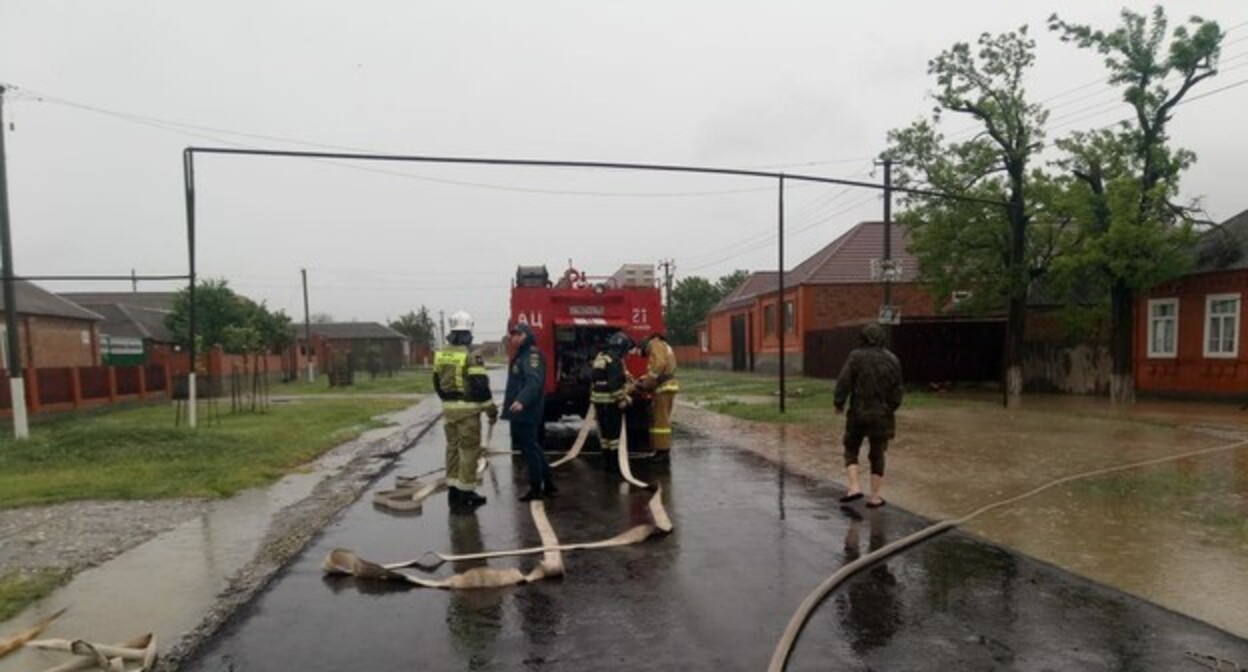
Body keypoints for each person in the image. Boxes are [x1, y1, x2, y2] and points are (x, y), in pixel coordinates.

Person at [432, 310, 498, 511]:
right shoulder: (471, 355)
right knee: (469, 452)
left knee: (452, 450)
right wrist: (491, 410)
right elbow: (480, 386)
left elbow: (436, 383)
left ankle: (453, 493)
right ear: (468, 332)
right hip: (468, 413)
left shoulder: (441, 353)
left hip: (449, 412)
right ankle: (466, 496)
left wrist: (447, 401)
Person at [834, 322, 903, 508]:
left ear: (863, 338)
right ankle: (874, 497)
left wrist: (839, 403)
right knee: (877, 454)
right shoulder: (893, 360)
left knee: (851, 448)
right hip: (882, 415)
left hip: (858, 412)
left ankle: (854, 487)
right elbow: (898, 391)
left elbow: (844, 382)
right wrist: (890, 409)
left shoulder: (855, 357)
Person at [503, 322, 553, 501]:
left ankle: (536, 488)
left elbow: (534, 381)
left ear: (527, 336)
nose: (515, 338)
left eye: (519, 335)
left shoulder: (532, 355)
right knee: (532, 446)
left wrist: (521, 401)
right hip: (519, 410)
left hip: (527, 410)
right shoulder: (521, 355)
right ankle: (548, 484)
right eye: (513, 335)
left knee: (530, 448)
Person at [590, 331, 634, 470]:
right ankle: (614, 465)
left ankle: (607, 462)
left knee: (604, 435)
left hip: (598, 402)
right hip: (611, 403)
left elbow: (594, 380)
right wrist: (622, 398)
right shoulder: (614, 360)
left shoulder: (600, 357)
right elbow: (614, 384)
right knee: (614, 436)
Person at [635, 332, 679, 462]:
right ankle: (659, 450)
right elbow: (657, 369)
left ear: (644, 346)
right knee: (658, 420)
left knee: (661, 422)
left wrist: (648, 382)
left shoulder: (655, 344)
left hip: (664, 387)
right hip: (664, 386)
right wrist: (644, 379)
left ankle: (663, 452)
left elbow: (659, 365)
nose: (647, 355)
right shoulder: (661, 345)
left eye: (645, 353)